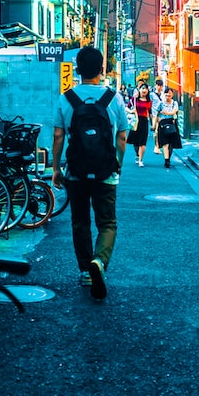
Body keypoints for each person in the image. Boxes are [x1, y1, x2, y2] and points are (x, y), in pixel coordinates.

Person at [52, 46, 129, 299]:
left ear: (78, 68)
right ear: (101, 69)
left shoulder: (67, 98)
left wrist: (55, 168)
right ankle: (100, 261)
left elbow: (58, 135)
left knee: (80, 222)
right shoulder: (113, 98)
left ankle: (86, 270)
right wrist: (117, 163)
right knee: (107, 222)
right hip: (106, 172)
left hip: (76, 172)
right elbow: (122, 137)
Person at [154, 86, 182, 168]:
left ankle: (168, 158)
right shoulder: (161, 103)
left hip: (172, 123)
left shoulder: (174, 103)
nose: (168, 95)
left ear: (172, 94)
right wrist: (155, 124)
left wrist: (167, 113)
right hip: (163, 124)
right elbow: (156, 113)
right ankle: (166, 160)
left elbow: (174, 111)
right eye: (166, 93)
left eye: (169, 93)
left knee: (171, 143)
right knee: (165, 143)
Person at [127, 83, 153, 166]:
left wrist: (153, 124)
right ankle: (137, 155)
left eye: (146, 89)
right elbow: (126, 107)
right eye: (142, 88)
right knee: (135, 142)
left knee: (143, 142)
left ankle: (141, 160)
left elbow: (150, 113)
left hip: (144, 121)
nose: (144, 90)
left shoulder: (149, 101)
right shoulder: (134, 99)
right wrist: (131, 111)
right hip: (135, 121)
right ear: (139, 90)